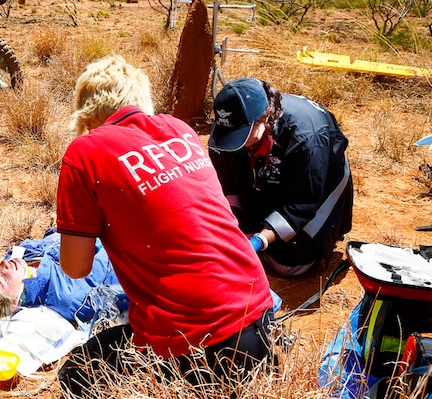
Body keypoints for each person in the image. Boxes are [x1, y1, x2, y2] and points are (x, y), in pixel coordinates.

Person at [55, 55, 276, 398]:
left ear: (87, 113)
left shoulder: (84, 153)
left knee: (77, 373)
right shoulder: (180, 129)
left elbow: (75, 266)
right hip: (259, 315)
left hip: (201, 344)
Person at [208, 78, 353, 277]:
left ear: (264, 118)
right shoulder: (229, 131)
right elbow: (225, 183)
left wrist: (260, 240)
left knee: (288, 263)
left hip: (318, 180)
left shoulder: (305, 139)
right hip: (272, 173)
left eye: (241, 135)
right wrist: (240, 225)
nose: (235, 142)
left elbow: (304, 201)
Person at [0, 227, 128, 341]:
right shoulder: (68, 294)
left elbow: (52, 237)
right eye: (1, 278)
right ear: (13, 304)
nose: (2, 263)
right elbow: (109, 255)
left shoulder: (19, 262)